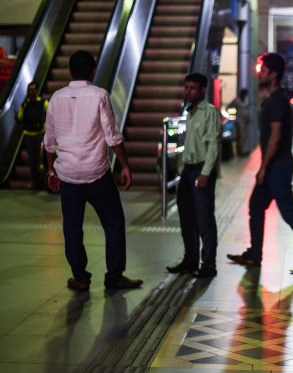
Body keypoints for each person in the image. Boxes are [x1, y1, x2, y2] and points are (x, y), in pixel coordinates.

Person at [43, 50, 143, 291]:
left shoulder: (56, 98)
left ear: (69, 71)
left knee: (72, 228)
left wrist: (50, 171)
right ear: (93, 71)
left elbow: (49, 140)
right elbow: (112, 136)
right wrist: (125, 166)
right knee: (114, 223)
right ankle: (114, 276)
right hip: (97, 173)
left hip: (68, 174)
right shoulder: (100, 95)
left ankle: (80, 277)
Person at [227, 52, 293, 274]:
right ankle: (254, 254)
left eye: (263, 70)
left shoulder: (278, 101)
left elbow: (276, 136)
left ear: (274, 74)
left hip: (278, 167)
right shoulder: (272, 99)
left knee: (288, 211)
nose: (260, 74)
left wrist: (263, 167)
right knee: (256, 206)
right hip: (275, 166)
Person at [167, 73, 221, 278]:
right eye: (186, 87)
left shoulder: (210, 113)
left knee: (205, 220)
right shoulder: (189, 112)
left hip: (201, 170)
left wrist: (206, 173)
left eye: (193, 88)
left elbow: (213, 146)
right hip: (188, 171)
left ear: (203, 90)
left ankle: (208, 265)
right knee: (186, 218)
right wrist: (182, 172)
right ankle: (190, 261)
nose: (188, 91)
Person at [16, 82, 49, 189]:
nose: (31, 92)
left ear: (37, 90)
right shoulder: (25, 104)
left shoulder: (43, 103)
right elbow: (20, 118)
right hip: (28, 136)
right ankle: (38, 183)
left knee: (41, 160)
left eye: (33, 90)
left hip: (40, 135)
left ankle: (45, 183)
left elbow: (51, 114)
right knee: (32, 162)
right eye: (29, 90)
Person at [227, 88, 250, 156]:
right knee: (241, 136)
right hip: (239, 121)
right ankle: (240, 152)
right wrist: (232, 115)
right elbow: (229, 106)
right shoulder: (237, 100)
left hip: (245, 120)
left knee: (244, 136)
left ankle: (242, 150)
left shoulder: (246, 100)